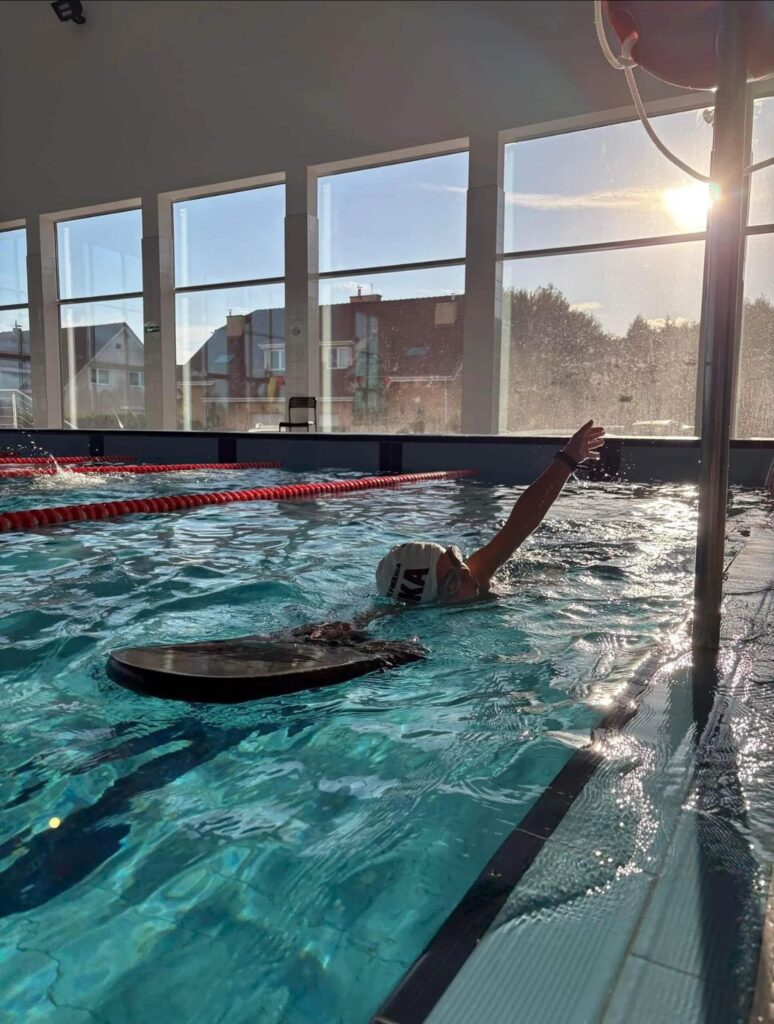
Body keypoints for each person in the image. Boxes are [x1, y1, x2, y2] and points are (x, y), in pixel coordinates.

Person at [375, 420, 606, 607]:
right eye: (453, 581)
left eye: (456, 559)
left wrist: (568, 459)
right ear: (433, 601)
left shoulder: (475, 575)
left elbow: (520, 525)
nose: (466, 573)